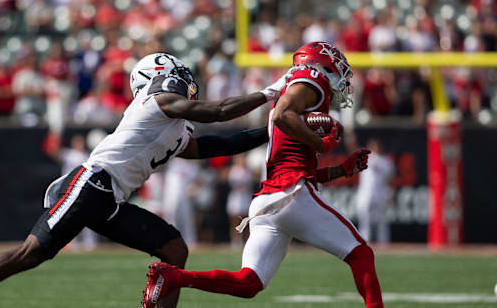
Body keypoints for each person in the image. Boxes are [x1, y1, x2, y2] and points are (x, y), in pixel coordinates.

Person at [0, 52, 292, 308]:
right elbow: (218, 111)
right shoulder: (156, 104)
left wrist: (273, 129)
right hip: (90, 184)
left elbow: (219, 144)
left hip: (111, 201)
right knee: (29, 254)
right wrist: (270, 93)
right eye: (170, 78)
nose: (179, 83)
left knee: (175, 250)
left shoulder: (176, 131)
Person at [142, 43, 384, 308]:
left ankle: (173, 276)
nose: (341, 77)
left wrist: (341, 169)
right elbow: (282, 116)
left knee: (249, 283)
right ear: (322, 64)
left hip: (270, 200)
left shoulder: (299, 91)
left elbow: (297, 166)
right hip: (292, 196)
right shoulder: (311, 79)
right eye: (338, 67)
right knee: (361, 254)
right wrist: (322, 144)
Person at [356, 138, 395, 244]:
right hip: (365, 193)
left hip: (380, 193)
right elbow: (352, 147)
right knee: (364, 219)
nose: (374, 148)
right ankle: (365, 241)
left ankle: (384, 243)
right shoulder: (366, 157)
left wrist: (391, 194)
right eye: (372, 146)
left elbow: (391, 180)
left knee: (382, 220)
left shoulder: (386, 161)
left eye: (376, 146)